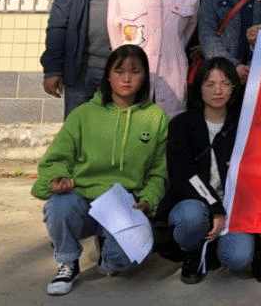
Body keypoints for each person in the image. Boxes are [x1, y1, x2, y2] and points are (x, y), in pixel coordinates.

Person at [32, 45, 168, 296]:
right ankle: (67, 261)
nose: (126, 78)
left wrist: (148, 200)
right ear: (108, 75)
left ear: (144, 77)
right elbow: (56, 159)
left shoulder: (155, 117)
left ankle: (108, 246)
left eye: (135, 71)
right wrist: (56, 179)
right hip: (83, 198)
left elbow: (158, 172)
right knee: (59, 206)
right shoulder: (83, 114)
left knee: (123, 262)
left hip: (124, 204)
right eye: (119, 71)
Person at [163, 58, 255, 283]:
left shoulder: (243, 125)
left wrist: (243, 168)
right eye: (210, 84)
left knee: (238, 257)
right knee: (191, 217)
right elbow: (183, 175)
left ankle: (214, 248)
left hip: (232, 207)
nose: (218, 90)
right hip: (194, 202)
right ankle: (192, 251)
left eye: (225, 83)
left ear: (234, 87)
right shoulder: (181, 125)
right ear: (199, 87)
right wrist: (215, 209)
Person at [107, 0, 199, 119]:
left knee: (170, 132)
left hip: (172, 81)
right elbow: (116, 40)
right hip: (132, 81)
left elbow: (185, 35)